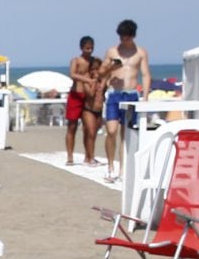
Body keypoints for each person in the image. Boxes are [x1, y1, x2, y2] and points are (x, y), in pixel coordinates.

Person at [101, 19, 152, 183]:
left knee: (126, 134)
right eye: (121, 37)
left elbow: (145, 74)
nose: (124, 40)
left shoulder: (140, 53)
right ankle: (110, 166)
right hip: (114, 94)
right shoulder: (112, 52)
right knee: (111, 131)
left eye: (127, 37)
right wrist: (111, 68)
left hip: (131, 95)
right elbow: (101, 72)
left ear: (133, 36)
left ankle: (122, 169)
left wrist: (145, 97)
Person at [65, 35, 103, 167]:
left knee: (89, 128)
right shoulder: (76, 60)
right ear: (81, 48)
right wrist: (87, 80)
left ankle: (89, 156)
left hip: (89, 97)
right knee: (72, 126)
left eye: (91, 48)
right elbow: (72, 74)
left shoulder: (95, 61)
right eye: (87, 48)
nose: (89, 51)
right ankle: (70, 156)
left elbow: (103, 71)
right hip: (76, 94)